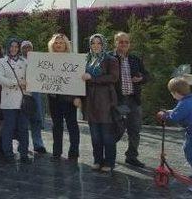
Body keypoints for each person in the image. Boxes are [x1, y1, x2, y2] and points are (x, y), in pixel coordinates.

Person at [156, 78, 192, 197]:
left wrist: (164, 115)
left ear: (176, 93)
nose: (172, 96)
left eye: (172, 93)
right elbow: (178, 111)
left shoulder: (184, 103)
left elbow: (174, 118)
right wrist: (169, 111)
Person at [109, 32, 148, 168]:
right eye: (121, 42)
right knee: (119, 128)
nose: (124, 44)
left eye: (126, 42)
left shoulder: (135, 59)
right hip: (119, 101)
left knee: (135, 129)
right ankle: (108, 152)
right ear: (115, 43)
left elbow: (147, 75)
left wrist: (141, 78)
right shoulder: (109, 58)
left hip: (133, 100)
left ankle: (131, 156)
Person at [83, 33, 119, 173]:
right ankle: (97, 160)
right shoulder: (87, 59)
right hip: (91, 101)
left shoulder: (110, 59)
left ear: (103, 44)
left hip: (105, 100)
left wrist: (92, 78)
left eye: (99, 43)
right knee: (95, 135)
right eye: (93, 43)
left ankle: (109, 162)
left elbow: (113, 77)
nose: (96, 46)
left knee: (107, 134)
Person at [0, 38, 31, 163]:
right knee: (8, 128)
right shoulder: (0, 62)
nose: (13, 49)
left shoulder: (26, 61)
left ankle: (24, 154)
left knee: (23, 128)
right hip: (9, 100)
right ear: (7, 47)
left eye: (16, 46)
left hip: (23, 100)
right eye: (11, 46)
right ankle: (8, 153)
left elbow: (32, 78)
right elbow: (0, 79)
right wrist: (17, 82)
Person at [46, 34, 81, 162]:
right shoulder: (47, 60)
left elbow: (78, 80)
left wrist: (78, 97)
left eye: (61, 42)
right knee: (57, 126)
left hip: (69, 100)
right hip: (54, 99)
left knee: (72, 126)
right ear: (52, 45)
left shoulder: (73, 59)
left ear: (66, 45)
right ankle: (56, 152)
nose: (59, 45)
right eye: (56, 43)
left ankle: (74, 153)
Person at [21, 40, 47, 155]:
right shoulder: (19, 61)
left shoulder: (39, 61)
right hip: (23, 94)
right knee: (23, 121)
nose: (27, 50)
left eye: (29, 47)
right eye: (25, 48)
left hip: (36, 94)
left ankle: (38, 144)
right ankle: (23, 145)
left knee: (36, 120)